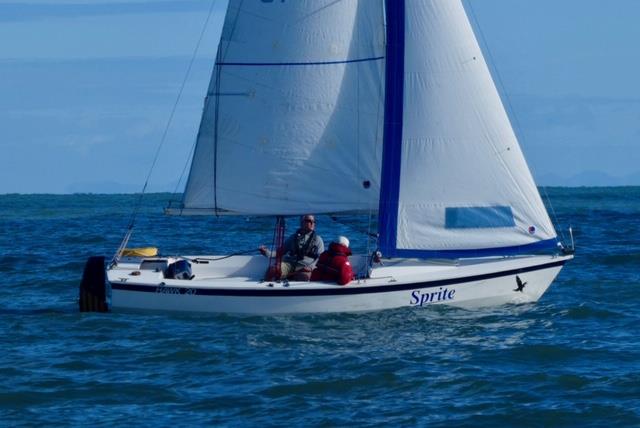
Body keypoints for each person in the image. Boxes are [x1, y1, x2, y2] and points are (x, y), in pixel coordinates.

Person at [259, 214, 324, 281]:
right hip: (290, 264)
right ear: (302, 223)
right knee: (272, 270)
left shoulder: (318, 239)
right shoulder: (293, 237)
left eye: (313, 221)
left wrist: (311, 267)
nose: (312, 223)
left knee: (303, 277)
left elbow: (321, 258)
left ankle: (291, 280)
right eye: (308, 221)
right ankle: (266, 288)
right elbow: (280, 252)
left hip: (305, 267)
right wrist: (267, 252)